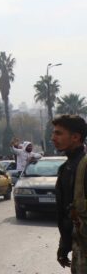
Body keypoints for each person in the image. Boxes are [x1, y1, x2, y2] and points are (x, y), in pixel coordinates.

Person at [52, 114, 87, 270]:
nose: (53, 138)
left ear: (75, 137)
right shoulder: (66, 168)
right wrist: (64, 246)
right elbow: (67, 213)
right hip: (78, 246)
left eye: (59, 133)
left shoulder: (83, 165)